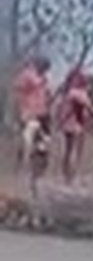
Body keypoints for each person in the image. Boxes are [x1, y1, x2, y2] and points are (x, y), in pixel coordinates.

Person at [57, 68, 93, 185]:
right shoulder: (76, 93)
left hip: (68, 125)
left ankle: (67, 177)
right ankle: (70, 178)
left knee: (68, 151)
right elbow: (89, 107)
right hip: (74, 125)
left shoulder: (67, 93)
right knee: (74, 151)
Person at [12, 55, 52, 195]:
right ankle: (18, 179)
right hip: (29, 116)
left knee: (43, 149)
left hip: (43, 116)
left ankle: (34, 180)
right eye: (44, 66)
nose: (46, 70)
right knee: (26, 147)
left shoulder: (45, 79)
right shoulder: (27, 75)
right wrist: (19, 114)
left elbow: (46, 97)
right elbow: (18, 93)